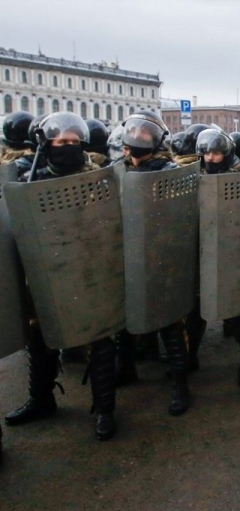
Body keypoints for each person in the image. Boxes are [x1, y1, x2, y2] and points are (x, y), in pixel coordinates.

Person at [3, 112, 118, 441]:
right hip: (45, 269)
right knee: (40, 338)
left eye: (72, 141)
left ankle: (105, 409)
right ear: (45, 143)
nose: (67, 146)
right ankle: (41, 400)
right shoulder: (30, 178)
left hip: (89, 268)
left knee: (99, 337)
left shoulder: (98, 177)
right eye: (60, 141)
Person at [119, 111, 192, 416]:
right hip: (126, 255)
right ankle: (125, 370)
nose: (138, 140)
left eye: (144, 135)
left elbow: (179, 216)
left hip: (162, 256)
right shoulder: (117, 170)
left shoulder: (170, 172)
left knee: (169, 323)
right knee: (123, 321)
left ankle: (180, 384)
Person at [196, 128, 240, 386]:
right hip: (203, 250)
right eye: (207, 153)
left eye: (217, 153)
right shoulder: (193, 176)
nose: (211, 158)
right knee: (195, 311)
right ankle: (188, 360)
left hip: (235, 251)